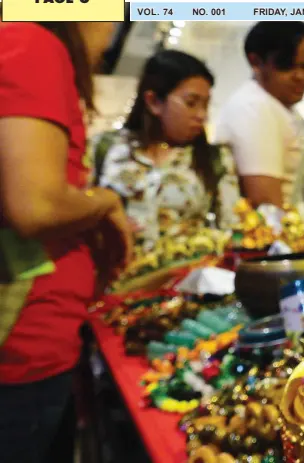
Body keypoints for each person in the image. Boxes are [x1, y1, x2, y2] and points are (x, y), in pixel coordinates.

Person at [0, 22, 133, 462]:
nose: (114, 28)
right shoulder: (32, 41)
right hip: (22, 346)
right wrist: (104, 202)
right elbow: (34, 205)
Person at [91, 50, 241, 247]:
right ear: (154, 102)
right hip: (113, 271)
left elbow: (232, 229)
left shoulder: (215, 159)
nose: (201, 115)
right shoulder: (106, 148)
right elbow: (76, 211)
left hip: (185, 274)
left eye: (206, 105)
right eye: (191, 103)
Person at [216, 21, 304, 208]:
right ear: (255, 61)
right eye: (287, 66)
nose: (299, 76)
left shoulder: (279, 106)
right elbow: (265, 203)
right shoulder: (253, 107)